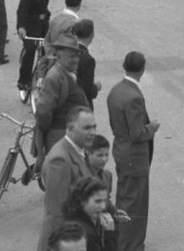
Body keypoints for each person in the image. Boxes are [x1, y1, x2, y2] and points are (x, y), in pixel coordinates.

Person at [107, 52, 158, 251]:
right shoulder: (134, 97)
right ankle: (131, 244)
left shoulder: (116, 91)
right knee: (136, 202)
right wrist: (151, 128)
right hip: (134, 156)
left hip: (120, 149)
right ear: (142, 69)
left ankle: (121, 238)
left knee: (124, 196)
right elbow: (137, 133)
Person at [37, 106, 98, 251]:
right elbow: (56, 212)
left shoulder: (78, 150)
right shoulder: (60, 160)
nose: (93, 133)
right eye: (87, 128)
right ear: (70, 129)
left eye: (94, 127)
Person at [36, 34, 90, 152]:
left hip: (72, 136)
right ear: (59, 56)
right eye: (71, 56)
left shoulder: (69, 73)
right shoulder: (54, 77)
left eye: (77, 56)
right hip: (61, 138)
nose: (75, 60)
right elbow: (43, 111)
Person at [17, 0, 52, 102]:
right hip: (31, 29)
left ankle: (45, 81)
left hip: (43, 27)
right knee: (30, 52)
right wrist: (21, 27)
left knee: (48, 54)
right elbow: (22, 10)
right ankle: (23, 82)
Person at [61, 176, 118, 251]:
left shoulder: (73, 217)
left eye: (105, 201)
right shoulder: (85, 233)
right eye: (98, 201)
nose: (103, 207)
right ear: (82, 201)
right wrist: (110, 235)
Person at [74, 20, 101, 111]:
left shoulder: (67, 50)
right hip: (80, 106)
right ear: (91, 35)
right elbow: (87, 90)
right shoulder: (88, 59)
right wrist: (96, 87)